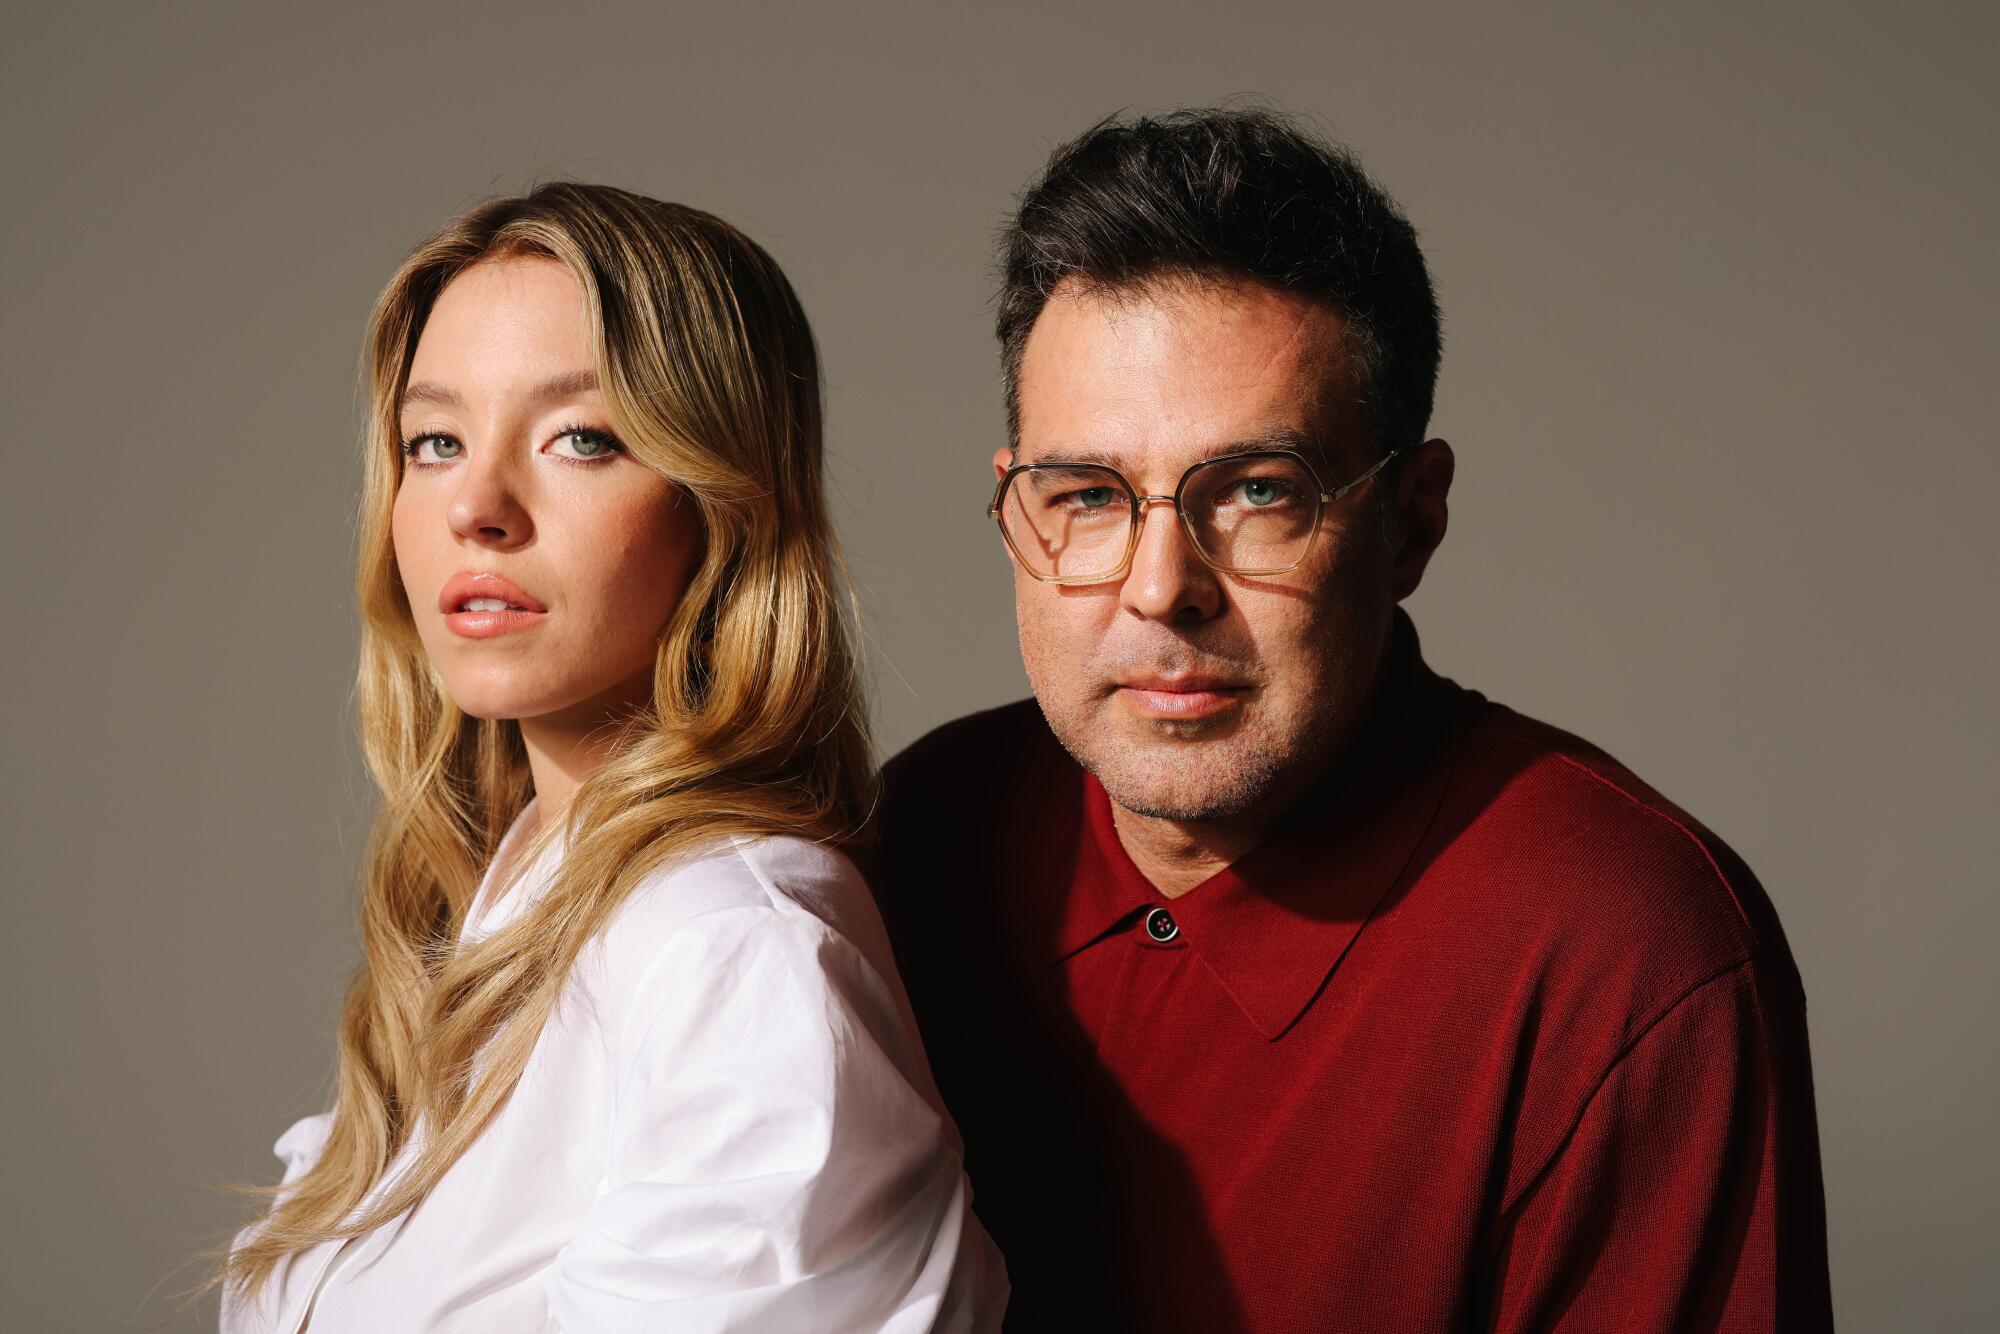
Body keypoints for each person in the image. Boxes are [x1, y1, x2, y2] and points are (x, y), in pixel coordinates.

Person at [870, 110, 1832, 1331]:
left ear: (1411, 521)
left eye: (1259, 492)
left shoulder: (1624, 950)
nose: (1160, 584)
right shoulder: (912, 838)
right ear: (1016, 507)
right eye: (1089, 496)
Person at [216, 184, 1006, 1332]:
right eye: (433, 441)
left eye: (579, 437)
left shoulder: (734, 948)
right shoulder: (500, 906)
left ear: (720, 504)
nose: (475, 505)